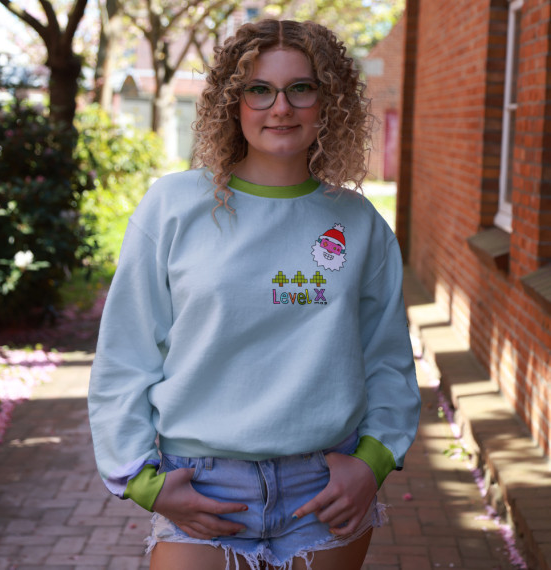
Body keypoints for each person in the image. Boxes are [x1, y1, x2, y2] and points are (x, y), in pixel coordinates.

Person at [88, 18, 421, 570]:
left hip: (324, 488)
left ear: (328, 100)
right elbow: (126, 353)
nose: (281, 108)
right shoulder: (174, 207)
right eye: (259, 89)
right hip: (203, 484)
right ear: (232, 102)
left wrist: (373, 461)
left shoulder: (359, 224)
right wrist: (141, 479)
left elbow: (388, 360)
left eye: (301, 88)